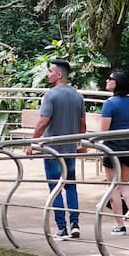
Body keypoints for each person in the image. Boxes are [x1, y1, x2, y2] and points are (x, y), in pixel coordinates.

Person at [28, 58, 86, 240]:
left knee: (55, 188)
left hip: (52, 150)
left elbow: (43, 121)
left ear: (59, 74)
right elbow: (82, 123)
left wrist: (32, 143)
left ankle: (62, 228)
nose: (48, 74)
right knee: (71, 187)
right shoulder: (77, 96)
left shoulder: (51, 95)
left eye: (50, 71)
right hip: (70, 149)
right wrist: (81, 143)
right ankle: (75, 224)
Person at [99, 68, 129, 234]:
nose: (107, 80)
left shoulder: (109, 104)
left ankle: (120, 224)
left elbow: (104, 131)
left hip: (113, 147)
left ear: (118, 83)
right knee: (125, 183)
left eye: (110, 79)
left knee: (113, 186)